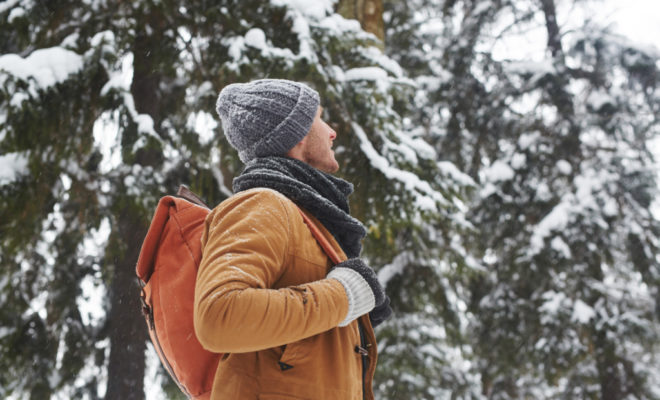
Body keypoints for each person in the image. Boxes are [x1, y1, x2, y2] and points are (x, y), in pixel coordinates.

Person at [193, 79, 392, 399]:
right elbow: (219, 315)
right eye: (318, 117)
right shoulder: (261, 204)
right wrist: (343, 295)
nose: (332, 131)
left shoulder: (306, 219)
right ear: (295, 133)